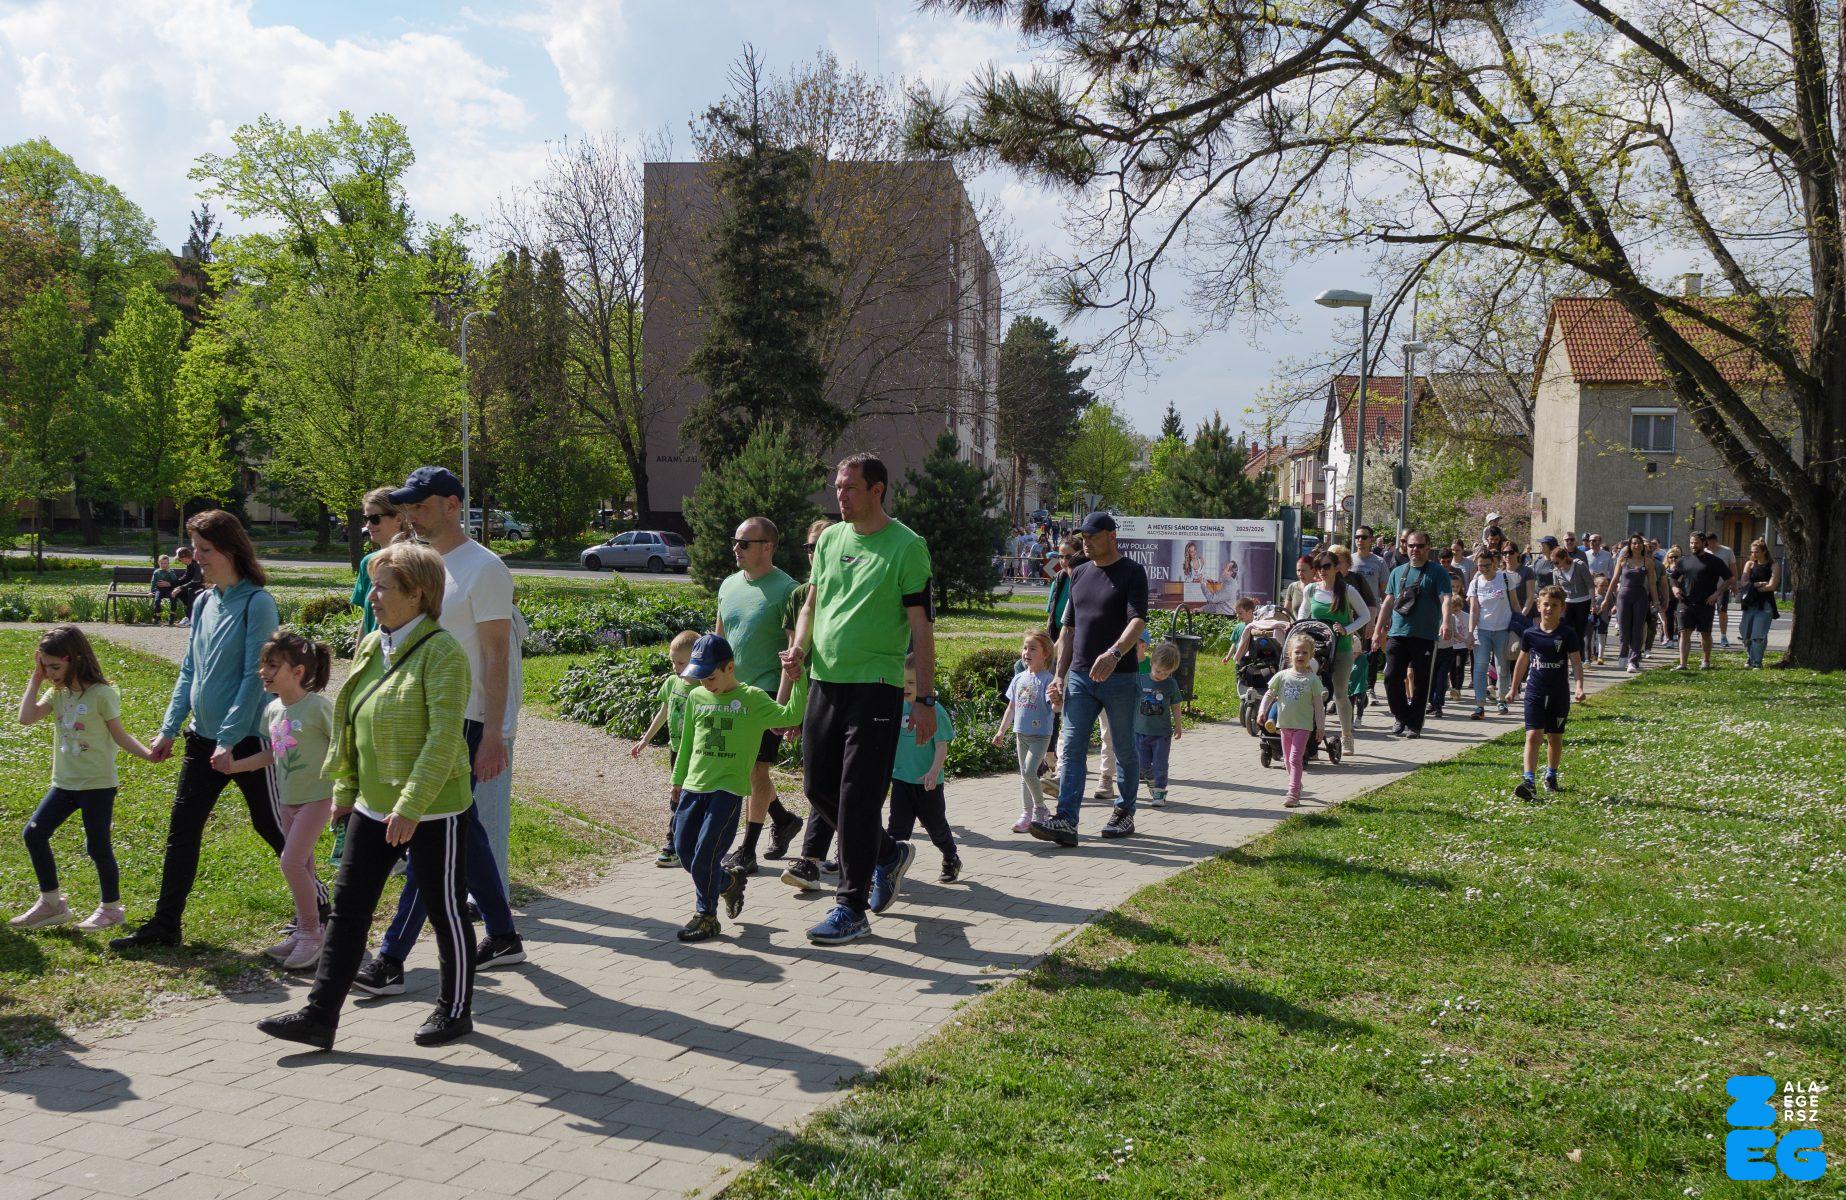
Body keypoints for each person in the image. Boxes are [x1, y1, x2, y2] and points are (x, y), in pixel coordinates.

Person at [255, 543, 477, 1051]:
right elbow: (352, 719)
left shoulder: (443, 652)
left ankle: (454, 1009)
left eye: (382, 587)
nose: (371, 596)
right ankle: (318, 1018)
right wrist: (346, 788)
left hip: (434, 808)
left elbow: (444, 737)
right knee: (349, 910)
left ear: (417, 594)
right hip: (371, 805)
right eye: (372, 585)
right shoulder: (374, 644)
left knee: (445, 909)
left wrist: (411, 805)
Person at [349, 466, 526, 1001]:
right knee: (461, 829)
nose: (411, 516)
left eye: (421, 506)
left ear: (452, 505)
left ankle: (390, 959)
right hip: (419, 718)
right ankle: (503, 934)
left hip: (462, 721)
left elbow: (497, 655)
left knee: (428, 835)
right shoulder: (420, 563)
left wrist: (494, 732)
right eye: (407, 506)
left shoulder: (484, 569)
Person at [112, 511, 305, 952]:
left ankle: (321, 912)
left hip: (248, 741)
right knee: (182, 831)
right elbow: (189, 670)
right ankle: (165, 926)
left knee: (275, 828)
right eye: (195, 549)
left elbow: (255, 678)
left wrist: (229, 739)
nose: (196, 558)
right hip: (202, 739)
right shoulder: (203, 602)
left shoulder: (257, 603)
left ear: (231, 550)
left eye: (205, 550)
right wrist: (168, 728)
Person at [782, 454, 937, 944]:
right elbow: (810, 605)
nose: (840, 496)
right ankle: (888, 853)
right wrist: (799, 648)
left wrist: (924, 699)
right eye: (837, 487)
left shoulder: (907, 546)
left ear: (877, 490)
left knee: (858, 795)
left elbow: (921, 628)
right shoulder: (830, 539)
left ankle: (851, 907)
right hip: (826, 680)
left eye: (850, 488)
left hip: (877, 685)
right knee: (816, 788)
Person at [12, 626, 155, 931]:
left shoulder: (102, 694)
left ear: (75, 659)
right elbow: (26, 718)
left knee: (98, 847)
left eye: (55, 667)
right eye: (45, 667)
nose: (50, 673)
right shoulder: (57, 692)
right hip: (64, 784)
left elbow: (120, 736)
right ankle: (52, 904)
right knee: (34, 834)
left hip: (97, 785)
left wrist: (148, 754)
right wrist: (35, 680)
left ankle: (111, 909)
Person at [668, 634, 809, 941]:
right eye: (700, 678)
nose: (705, 684)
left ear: (729, 667)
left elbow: (791, 715)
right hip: (693, 787)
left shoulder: (753, 699)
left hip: (727, 791)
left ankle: (706, 916)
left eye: (710, 677)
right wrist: (677, 782)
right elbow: (687, 743)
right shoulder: (697, 698)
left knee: (706, 855)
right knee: (684, 850)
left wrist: (798, 680)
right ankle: (727, 883)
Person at [217, 632, 336, 971]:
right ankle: (304, 930)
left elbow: (342, 746)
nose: (263, 672)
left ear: (297, 672)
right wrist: (235, 766)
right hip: (289, 800)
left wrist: (347, 791)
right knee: (304, 867)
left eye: (272, 666)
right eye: (263, 665)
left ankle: (312, 932)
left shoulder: (317, 707)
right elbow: (274, 753)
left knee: (290, 863)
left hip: (317, 797)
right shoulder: (272, 710)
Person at [1034, 511, 1148, 847]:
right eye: (1083, 537)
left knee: (1124, 747)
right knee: (1071, 748)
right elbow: (1068, 630)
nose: (1087, 543)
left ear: (1112, 536)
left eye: (1093, 536)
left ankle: (1124, 811)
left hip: (1120, 677)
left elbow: (1138, 621)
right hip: (1080, 677)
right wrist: (1058, 675)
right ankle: (1066, 819)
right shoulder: (1080, 572)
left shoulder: (1132, 572)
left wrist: (1115, 653)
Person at [716, 518, 806, 876]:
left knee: (755, 769)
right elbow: (719, 639)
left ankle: (747, 850)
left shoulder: (788, 590)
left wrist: (783, 707)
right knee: (743, 766)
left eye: (744, 543)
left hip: (766, 692)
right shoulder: (728, 585)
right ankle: (783, 820)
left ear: (767, 546)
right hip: (732, 691)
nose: (735, 548)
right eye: (735, 541)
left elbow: (794, 650)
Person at [781, 518, 842, 887]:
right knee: (819, 783)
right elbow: (793, 656)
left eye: (821, 546)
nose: (814, 553)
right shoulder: (800, 596)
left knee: (840, 783)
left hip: (856, 691)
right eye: (810, 547)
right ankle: (819, 859)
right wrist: (787, 710)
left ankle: (817, 859)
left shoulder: (852, 585)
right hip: (816, 693)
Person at [887, 651, 961, 884]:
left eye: (912, 682)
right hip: (901, 780)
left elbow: (941, 746)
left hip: (927, 783)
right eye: (903, 681)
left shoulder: (934, 711)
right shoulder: (897, 707)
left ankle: (950, 856)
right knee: (897, 830)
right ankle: (889, 870)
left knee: (936, 827)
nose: (906, 687)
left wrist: (934, 771)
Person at [1508, 585, 1587, 801]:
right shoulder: (1530, 634)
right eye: (1545, 605)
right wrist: (1513, 688)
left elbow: (1576, 662)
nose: (1549, 609)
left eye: (1554, 605)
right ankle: (1529, 782)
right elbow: (1522, 661)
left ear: (1562, 608)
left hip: (1559, 693)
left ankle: (1551, 775)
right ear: (1538, 606)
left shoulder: (1567, 634)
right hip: (1534, 691)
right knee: (1533, 735)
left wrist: (1579, 687)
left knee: (1554, 737)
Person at [1372, 531, 1452, 738]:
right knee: (1390, 677)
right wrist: (1377, 630)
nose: (1415, 549)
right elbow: (1388, 601)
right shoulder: (1398, 571)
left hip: (1424, 635)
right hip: (1398, 633)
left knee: (1421, 682)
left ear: (1428, 548)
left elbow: (1445, 598)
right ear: (1405, 547)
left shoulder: (1437, 572)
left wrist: (1446, 622)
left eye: (1420, 546)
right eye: (1411, 546)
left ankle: (1415, 725)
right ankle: (1400, 716)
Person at [634, 631, 700, 868]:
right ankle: (680, 844)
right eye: (673, 662)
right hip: (676, 750)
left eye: (681, 663)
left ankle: (674, 844)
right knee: (677, 795)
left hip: (695, 753)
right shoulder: (672, 683)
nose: (676, 667)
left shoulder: (703, 688)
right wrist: (645, 739)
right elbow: (663, 712)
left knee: (687, 798)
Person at [1296, 550, 1369, 753]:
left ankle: (1347, 736)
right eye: (1318, 567)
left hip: (1342, 649)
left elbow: (1365, 615)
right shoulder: (1311, 589)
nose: (1322, 571)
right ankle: (1309, 736)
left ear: (1337, 568)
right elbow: (1303, 613)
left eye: (1327, 566)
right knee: (1310, 691)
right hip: (1317, 650)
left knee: (1340, 693)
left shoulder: (1347, 590)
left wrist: (1347, 629)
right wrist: (1298, 630)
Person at [995, 631, 1056, 833]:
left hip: (1040, 736)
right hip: (1021, 734)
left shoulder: (1048, 680)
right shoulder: (1019, 678)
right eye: (1025, 648)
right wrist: (1001, 731)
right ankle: (1027, 814)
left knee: (1029, 772)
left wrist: (1058, 702)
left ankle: (1040, 808)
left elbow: (1055, 708)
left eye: (1032, 649)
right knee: (1024, 775)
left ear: (1045, 654)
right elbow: (1011, 707)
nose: (1026, 653)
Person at [1261, 633, 1327, 809]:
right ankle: (1297, 784)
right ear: (1290, 653)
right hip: (1284, 725)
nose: (1301, 655)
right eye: (1297, 652)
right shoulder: (1282, 676)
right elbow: (1269, 694)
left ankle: (1293, 793)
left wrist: (1320, 727)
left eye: (1305, 653)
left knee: (1295, 758)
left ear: (1311, 656)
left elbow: (1318, 706)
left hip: (1303, 726)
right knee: (1287, 760)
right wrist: (1262, 711)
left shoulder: (1312, 680)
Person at [1600, 532, 1668, 674]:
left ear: (1643, 546)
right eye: (1634, 543)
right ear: (1630, 545)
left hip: (1640, 597)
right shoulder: (1623, 560)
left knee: (1637, 629)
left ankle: (1633, 660)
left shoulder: (1648, 562)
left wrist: (1656, 601)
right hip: (1624, 596)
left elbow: (1652, 584)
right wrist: (1606, 599)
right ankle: (1623, 654)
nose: (1637, 546)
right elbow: (1614, 580)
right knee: (1624, 628)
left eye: (1639, 543)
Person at [351, 486, 411, 638]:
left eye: (374, 519)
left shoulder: (416, 562)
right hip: (375, 649)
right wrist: (361, 652)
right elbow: (367, 619)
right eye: (365, 519)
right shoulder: (368, 562)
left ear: (398, 519)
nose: (368, 525)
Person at [1467, 547, 1520, 718]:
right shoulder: (1475, 583)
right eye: (1480, 566)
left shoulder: (1504, 578)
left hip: (1503, 630)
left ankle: (1501, 700)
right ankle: (1480, 705)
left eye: (1487, 565)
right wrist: (1470, 632)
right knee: (1480, 667)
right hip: (1482, 630)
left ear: (1494, 563)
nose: (1483, 569)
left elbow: (1515, 604)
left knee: (1502, 667)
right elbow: (1474, 610)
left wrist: (1521, 627)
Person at [1671, 530, 1732, 671]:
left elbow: (1730, 579)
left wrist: (1717, 594)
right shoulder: (1684, 561)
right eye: (1691, 543)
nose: (1693, 545)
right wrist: (1675, 589)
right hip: (1685, 602)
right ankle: (1683, 664)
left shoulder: (1714, 561)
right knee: (1684, 632)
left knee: (1705, 633)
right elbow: (1673, 578)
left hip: (1705, 603)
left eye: (1696, 543)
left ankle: (1706, 661)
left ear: (1704, 543)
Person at [1134, 642, 1184, 807]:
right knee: (1141, 764)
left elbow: (1175, 705)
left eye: (1166, 673)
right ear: (1152, 663)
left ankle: (1159, 792)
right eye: (1158, 671)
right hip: (1140, 732)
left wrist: (1178, 725)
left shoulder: (1170, 684)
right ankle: (1151, 778)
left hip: (1162, 734)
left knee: (1161, 765)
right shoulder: (1140, 680)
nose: (1161, 675)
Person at [1736, 539, 1779, 669]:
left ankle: (1757, 663)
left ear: (1764, 551)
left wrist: (1755, 587)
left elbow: (1772, 586)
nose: (1753, 554)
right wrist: (1758, 584)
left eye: (1756, 552)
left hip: (1765, 604)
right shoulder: (1749, 564)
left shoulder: (1773, 565)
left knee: (1758, 635)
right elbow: (1743, 583)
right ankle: (1751, 656)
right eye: (1752, 552)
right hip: (1749, 603)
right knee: (1745, 633)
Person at [1550, 544, 1595, 647]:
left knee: (1579, 632)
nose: (1554, 565)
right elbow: (1557, 589)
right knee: (1563, 630)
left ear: (1564, 558)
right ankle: (1562, 652)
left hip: (1583, 602)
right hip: (1566, 603)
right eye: (1552, 562)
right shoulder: (1556, 571)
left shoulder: (1579, 565)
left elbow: (1590, 584)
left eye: (1556, 562)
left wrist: (1593, 603)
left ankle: (1579, 654)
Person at [1705, 531, 1738, 647]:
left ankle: (1723, 636)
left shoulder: (1727, 551)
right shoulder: (1705, 551)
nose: (1708, 546)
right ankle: (1706, 636)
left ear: (1715, 541)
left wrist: (1734, 585)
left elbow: (1733, 568)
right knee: (1707, 612)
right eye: (1706, 544)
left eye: (1709, 543)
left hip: (1723, 586)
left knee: (1722, 611)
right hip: (1708, 588)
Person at [168, 545, 204, 626]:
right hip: (196, 586)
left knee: (191, 591)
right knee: (180, 592)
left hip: (205, 587)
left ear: (184, 558)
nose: (180, 561)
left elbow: (197, 580)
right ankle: (194, 614)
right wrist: (172, 584)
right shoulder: (189, 565)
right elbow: (186, 578)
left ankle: (189, 618)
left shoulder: (197, 564)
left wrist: (181, 587)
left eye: (180, 559)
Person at [149, 554, 181, 622]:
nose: (163, 565)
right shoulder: (157, 572)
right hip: (159, 590)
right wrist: (151, 592)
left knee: (173, 598)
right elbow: (153, 582)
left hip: (169, 589)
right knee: (157, 600)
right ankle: (158, 616)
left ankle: (172, 615)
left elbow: (175, 581)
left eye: (165, 563)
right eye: (162, 563)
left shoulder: (171, 571)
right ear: (159, 563)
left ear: (168, 563)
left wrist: (169, 572)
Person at [1588, 574, 1611, 665]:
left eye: (1606, 585)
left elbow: (1613, 605)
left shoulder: (1608, 596)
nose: (1604, 587)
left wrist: (1613, 609)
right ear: (1596, 585)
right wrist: (1591, 609)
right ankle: (1591, 654)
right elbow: (1587, 605)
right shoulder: (1591, 595)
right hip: (1592, 618)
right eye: (1602, 585)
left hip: (1604, 619)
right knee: (1591, 637)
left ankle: (1600, 657)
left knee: (1602, 638)